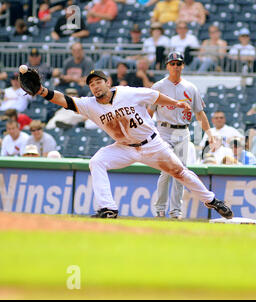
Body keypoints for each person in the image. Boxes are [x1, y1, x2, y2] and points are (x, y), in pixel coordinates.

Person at [34, 68, 233, 219]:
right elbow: (64, 99)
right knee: (97, 161)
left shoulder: (126, 92)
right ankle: (109, 209)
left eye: (98, 82)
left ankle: (212, 200)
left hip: (152, 145)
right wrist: (42, 91)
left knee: (180, 172)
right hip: (124, 148)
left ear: (107, 83)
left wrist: (176, 103)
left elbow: (153, 96)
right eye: (91, 84)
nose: (95, 86)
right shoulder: (89, 105)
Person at [148, 51, 221, 219]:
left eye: (178, 63)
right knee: (166, 170)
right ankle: (160, 209)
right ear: (167, 66)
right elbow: (149, 112)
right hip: (164, 130)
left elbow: (200, 113)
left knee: (180, 171)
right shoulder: (158, 86)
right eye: (172, 63)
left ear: (183, 66)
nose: (175, 66)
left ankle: (175, 211)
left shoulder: (190, 87)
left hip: (182, 131)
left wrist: (209, 133)